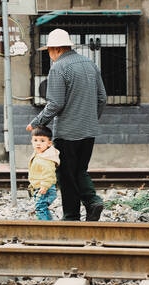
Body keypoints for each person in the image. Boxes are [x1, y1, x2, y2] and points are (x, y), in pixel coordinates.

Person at [26, 28, 107, 221]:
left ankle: (72, 216)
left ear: (56, 49)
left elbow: (55, 103)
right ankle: (92, 203)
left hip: (67, 132)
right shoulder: (90, 64)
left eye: (49, 50)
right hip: (89, 131)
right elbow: (102, 98)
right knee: (80, 171)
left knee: (66, 175)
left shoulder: (59, 67)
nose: (49, 54)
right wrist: (90, 119)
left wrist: (37, 122)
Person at [28, 125, 60, 220]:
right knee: (42, 208)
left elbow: (49, 174)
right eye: (35, 140)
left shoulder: (47, 157)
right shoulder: (39, 154)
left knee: (40, 207)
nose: (38, 144)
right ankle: (49, 225)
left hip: (45, 188)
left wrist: (45, 186)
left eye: (42, 141)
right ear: (31, 141)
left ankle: (46, 227)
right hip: (40, 187)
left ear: (49, 143)